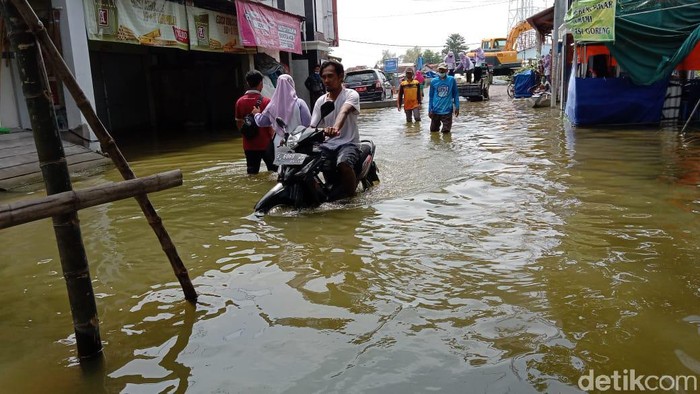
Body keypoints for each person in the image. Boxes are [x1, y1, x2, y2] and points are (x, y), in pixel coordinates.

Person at [309, 60, 361, 200]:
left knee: (343, 164)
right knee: (307, 163)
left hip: (348, 143)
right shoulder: (320, 101)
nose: (326, 80)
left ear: (340, 77)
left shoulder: (351, 95)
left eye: (330, 76)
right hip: (327, 144)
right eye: (324, 77)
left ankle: (351, 198)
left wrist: (335, 129)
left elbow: (344, 111)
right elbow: (312, 126)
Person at [253, 74, 311, 153]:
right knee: (300, 164)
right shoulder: (299, 103)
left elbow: (261, 122)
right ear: (292, 85)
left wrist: (256, 114)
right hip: (299, 142)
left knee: (282, 164)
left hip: (280, 143)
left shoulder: (272, 105)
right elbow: (307, 123)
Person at [235, 70, 276, 175]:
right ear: (261, 83)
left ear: (248, 83)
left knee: (252, 174)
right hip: (265, 143)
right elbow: (271, 125)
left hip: (249, 145)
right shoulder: (266, 101)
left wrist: (246, 133)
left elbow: (239, 122)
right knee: (273, 171)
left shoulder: (240, 101)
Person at [428, 63, 459, 133]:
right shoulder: (433, 81)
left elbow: (455, 94)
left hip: (447, 111)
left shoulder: (451, 80)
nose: (441, 71)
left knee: (446, 132)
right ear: (438, 70)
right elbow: (431, 97)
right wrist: (430, 109)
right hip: (436, 110)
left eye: (443, 70)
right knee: (433, 132)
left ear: (447, 70)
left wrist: (457, 106)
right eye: (440, 70)